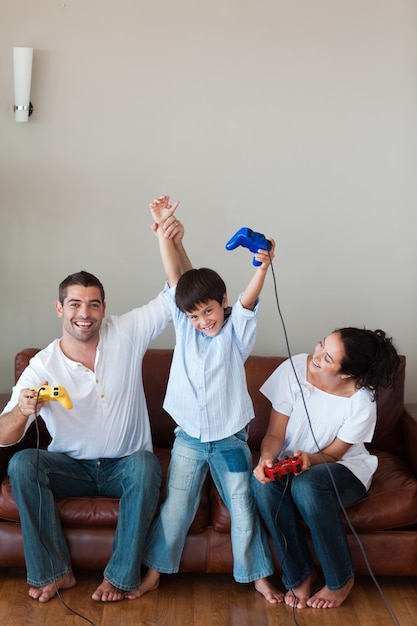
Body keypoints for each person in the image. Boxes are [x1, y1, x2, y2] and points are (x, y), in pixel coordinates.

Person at [0, 208, 191, 603]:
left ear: (104, 308)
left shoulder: (127, 331)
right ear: (60, 309)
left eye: (93, 305)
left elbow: (181, 293)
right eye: (74, 305)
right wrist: (23, 410)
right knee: (22, 463)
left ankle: (120, 579)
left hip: (125, 465)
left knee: (145, 462)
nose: (84, 314)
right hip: (71, 467)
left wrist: (169, 240)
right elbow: (4, 438)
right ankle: (55, 573)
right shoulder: (43, 365)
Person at [127, 195, 282, 604]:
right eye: (194, 316)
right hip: (189, 439)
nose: (202, 321)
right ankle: (154, 574)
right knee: (175, 509)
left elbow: (247, 301)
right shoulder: (186, 325)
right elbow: (179, 278)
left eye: (208, 312)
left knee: (243, 508)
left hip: (230, 439)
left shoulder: (235, 333)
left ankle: (257, 575)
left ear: (223, 302)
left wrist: (262, 267)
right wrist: (165, 231)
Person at [251, 328, 400, 609]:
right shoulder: (294, 368)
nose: (316, 356)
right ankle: (300, 575)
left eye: (328, 358)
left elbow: (334, 454)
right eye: (321, 345)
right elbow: (273, 435)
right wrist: (266, 458)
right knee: (261, 484)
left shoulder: (361, 401)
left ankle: (341, 579)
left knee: (307, 485)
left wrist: (310, 459)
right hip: (292, 465)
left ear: (345, 373)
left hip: (343, 469)